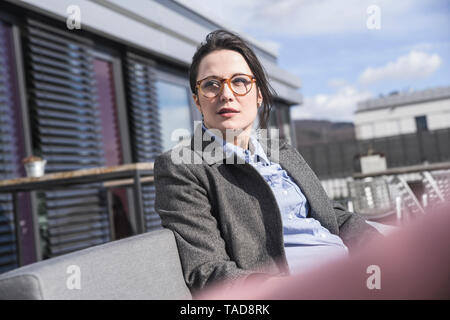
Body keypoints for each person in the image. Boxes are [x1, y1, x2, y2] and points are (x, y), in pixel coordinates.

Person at [154, 30, 382, 294]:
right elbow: (207, 271)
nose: (226, 94)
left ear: (258, 94)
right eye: (211, 85)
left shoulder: (278, 149)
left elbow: (331, 215)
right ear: (197, 101)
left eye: (239, 81)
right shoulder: (184, 166)